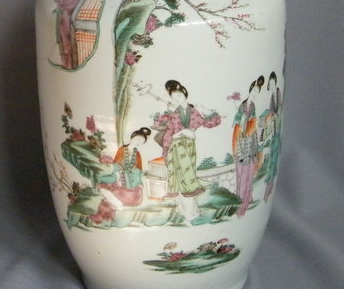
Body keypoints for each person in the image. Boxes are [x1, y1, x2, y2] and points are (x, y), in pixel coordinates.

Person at [152, 80, 221, 222]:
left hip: (189, 147)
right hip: (176, 148)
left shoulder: (195, 112)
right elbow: (168, 134)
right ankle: (187, 212)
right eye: (174, 97)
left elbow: (211, 123)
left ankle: (188, 211)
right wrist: (167, 150)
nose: (177, 99)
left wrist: (206, 111)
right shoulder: (174, 115)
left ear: (184, 93)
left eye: (178, 95)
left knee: (188, 176)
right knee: (184, 178)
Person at [96, 128, 151, 213]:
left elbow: (139, 169)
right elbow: (116, 164)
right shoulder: (122, 149)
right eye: (138, 139)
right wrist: (118, 175)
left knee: (136, 195)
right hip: (119, 175)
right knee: (103, 186)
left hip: (132, 180)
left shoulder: (137, 154)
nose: (138, 142)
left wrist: (139, 183)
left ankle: (117, 203)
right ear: (132, 137)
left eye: (141, 142)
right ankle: (118, 204)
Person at [232, 76, 263, 217]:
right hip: (242, 145)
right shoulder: (242, 107)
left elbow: (254, 125)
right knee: (242, 175)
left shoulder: (253, 107)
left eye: (257, 92)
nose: (255, 94)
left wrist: (253, 124)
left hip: (251, 144)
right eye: (254, 91)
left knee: (249, 174)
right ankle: (241, 205)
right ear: (250, 90)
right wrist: (246, 121)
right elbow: (238, 128)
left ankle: (247, 198)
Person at [260, 72, 282, 201]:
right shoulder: (272, 97)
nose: (272, 85)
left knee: (273, 158)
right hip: (272, 129)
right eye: (271, 83)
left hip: (275, 130)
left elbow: (277, 112)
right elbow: (270, 112)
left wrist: (274, 117)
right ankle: (267, 188)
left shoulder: (278, 94)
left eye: (273, 83)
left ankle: (268, 189)